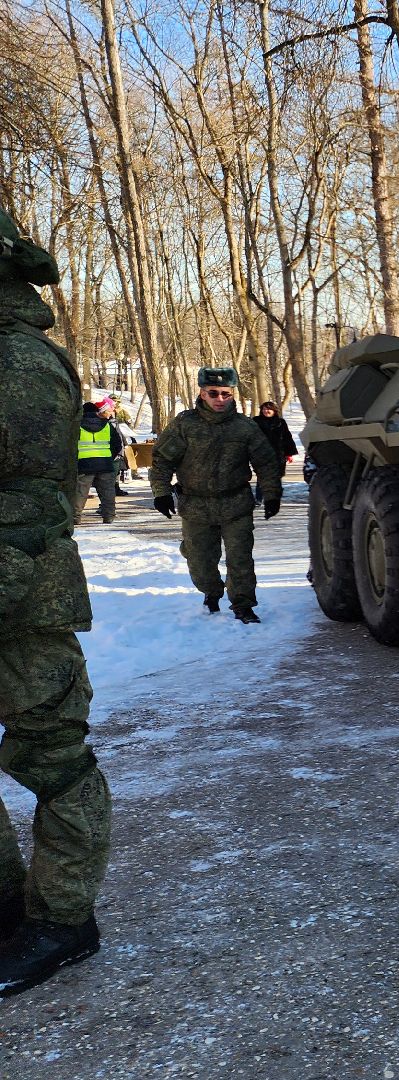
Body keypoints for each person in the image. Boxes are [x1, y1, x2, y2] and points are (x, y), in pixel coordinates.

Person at [0, 205, 112, 996]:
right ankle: (9, 907)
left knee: (52, 754)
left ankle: (63, 921)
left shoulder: (19, 362)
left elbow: (37, 501)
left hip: (24, 597)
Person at [149, 367, 284, 623]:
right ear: (202, 393)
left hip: (236, 504)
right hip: (195, 506)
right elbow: (162, 460)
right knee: (200, 561)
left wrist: (272, 494)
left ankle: (243, 605)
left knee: (240, 558)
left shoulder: (245, 427)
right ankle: (211, 592)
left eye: (226, 394)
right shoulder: (185, 425)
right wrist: (161, 492)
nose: (220, 399)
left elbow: (266, 463)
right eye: (214, 393)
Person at [72, 400, 124, 524]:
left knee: (81, 492)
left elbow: (70, 445)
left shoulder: (76, 426)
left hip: (84, 463)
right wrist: (109, 457)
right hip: (105, 462)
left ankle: (76, 517)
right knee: (107, 491)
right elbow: (117, 444)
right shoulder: (107, 425)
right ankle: (109, 516)